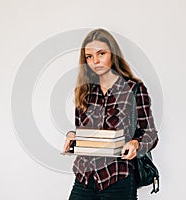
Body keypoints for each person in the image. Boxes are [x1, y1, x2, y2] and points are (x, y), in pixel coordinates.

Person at [63, 28, 158, 200]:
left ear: (113, 54)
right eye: (89, 57)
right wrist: (72, 136)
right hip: (85, 177)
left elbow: (150, 134)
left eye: (101, 54)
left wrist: (136, 144)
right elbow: (85, 133)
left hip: (117, 178)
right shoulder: (83, 91)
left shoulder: (134, 89)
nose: (95, 61)